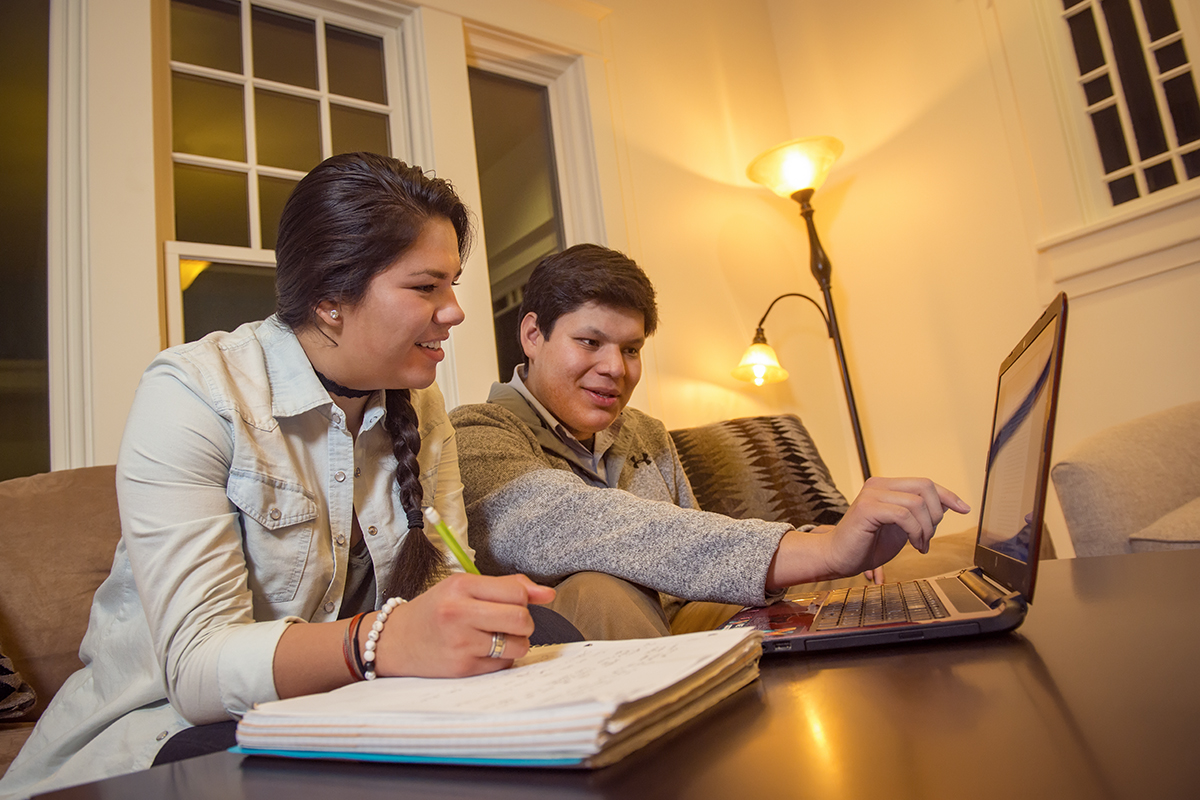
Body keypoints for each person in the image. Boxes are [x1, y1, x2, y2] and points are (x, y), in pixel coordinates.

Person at [0, 153, 578, 800]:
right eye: (426, 287)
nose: (455, 311)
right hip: (169, 729)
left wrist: (470, 614)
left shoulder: (420, 404)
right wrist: (382, 640)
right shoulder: (192, 392)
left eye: (454, 284)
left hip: (349, 702)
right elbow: (197, 673)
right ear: (330, 297)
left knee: (547, 638)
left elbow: (441, 582)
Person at [449, 244, 970, 640]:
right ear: (533, 335)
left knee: (897, 574)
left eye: (631, 349)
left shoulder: (643, 431)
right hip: (583, 650)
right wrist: (817, 549)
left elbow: (696, 542)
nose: (615, 368)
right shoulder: (474, 434)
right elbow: (587, 526)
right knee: (599, 587)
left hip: (688, 621)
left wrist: (827, 541)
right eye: (590, 342)